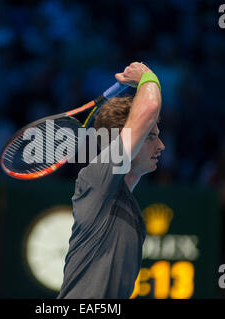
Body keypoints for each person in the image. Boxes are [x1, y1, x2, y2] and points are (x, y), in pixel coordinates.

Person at [58, 62, 165, 298]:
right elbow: (148, 110)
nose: (161, 146)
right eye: (151, 137)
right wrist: (147, 77)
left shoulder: (121, 198)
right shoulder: (96, 178)